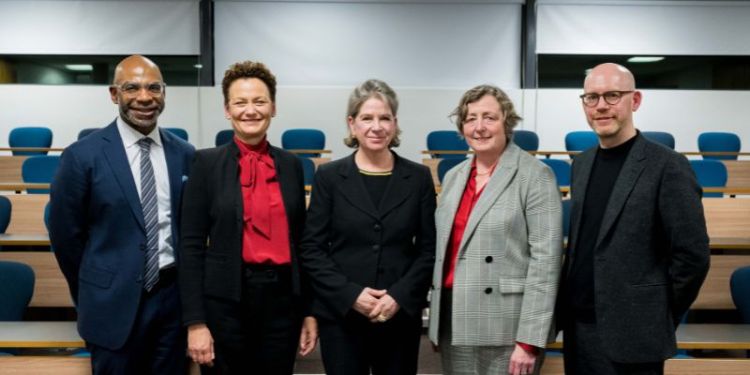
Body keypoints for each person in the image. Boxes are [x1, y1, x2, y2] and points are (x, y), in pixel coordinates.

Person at [557, 63, 711, 374]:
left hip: (635, 334)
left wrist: (658, 313)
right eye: (592, 97)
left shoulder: (668, 166)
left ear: (635, 100)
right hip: (579, 329)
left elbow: (692, 256)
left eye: (612, 95)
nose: (601, 106)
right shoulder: (582, 164)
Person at [49, 55, 195, 374]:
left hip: (172, 305)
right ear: (114, 95)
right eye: (132, 87)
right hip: (110, 304)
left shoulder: (185, 154)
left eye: (154, 87)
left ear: (164, 93)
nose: (145, 97)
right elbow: (65, 238)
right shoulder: (81, 156)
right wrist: (96, 286)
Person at [179, 60, 317, 374]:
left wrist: (309, 311)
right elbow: (190, 247)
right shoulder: (205, 163)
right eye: (240, 102)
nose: (250, 110)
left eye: (259, 101)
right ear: (227, 110)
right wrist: (195, 322)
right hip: (224, 301)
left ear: (273, 107)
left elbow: (302, 243)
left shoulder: (292, 165)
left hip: (283, 301)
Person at [299, 79, 436, 374]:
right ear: (352, 124)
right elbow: (312, 249)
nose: (377, 126)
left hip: (398, 315)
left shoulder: (419, 177)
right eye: (367, 118)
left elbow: (428, 250)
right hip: (343, 316)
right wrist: (350, 295)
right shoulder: (330, 177)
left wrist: (398, 296)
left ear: (395, 123)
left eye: (385, 118)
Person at [428, 85, 563, 375]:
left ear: (507, 122)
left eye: (489, 117)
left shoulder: (535, 175)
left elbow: (547, 262)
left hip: (507, 327)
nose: (479, 127)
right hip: (455, 318)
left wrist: (529, 340)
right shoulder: (453, 177)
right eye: (470, 118)